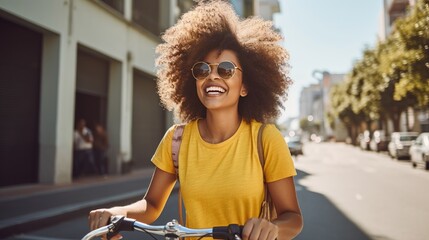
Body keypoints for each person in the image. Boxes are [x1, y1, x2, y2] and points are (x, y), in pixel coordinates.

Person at [88, 1, 303, 239]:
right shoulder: (176, 139)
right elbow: (151, 205)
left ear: (245, 86)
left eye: (226, 69)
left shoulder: (266, 139)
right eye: (202, 70)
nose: (212, 76)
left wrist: (273, 227)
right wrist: (116, 213)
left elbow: (292, 217)